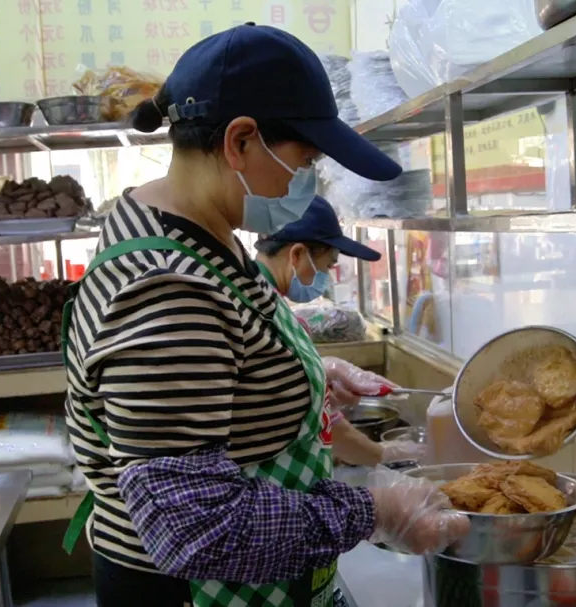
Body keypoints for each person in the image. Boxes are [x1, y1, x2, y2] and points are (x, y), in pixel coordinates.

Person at [61, 24, 468, 607]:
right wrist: (376, 511)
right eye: (307, 159)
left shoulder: (196, 231)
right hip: (191, 591)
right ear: (241, 140)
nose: (311, 179)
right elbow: (199, 528)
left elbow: (219, 356)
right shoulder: (167, 288)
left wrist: (303, 376)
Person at [253, 195, 425, 467]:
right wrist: (316, 381)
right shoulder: (257, 311)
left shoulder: (268, 302)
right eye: (328, 265)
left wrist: (319, 376)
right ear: (297, 255)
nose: (326, 275)